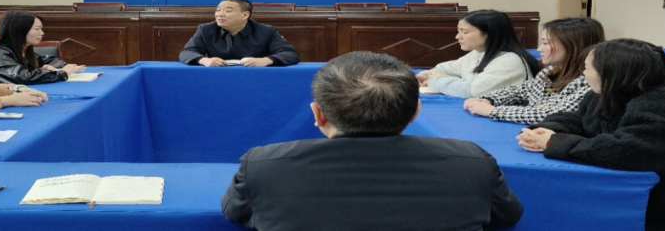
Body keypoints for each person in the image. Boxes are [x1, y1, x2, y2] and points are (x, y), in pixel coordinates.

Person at [221, 51, 523, 231]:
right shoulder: (471, 162)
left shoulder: (264, 165)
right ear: (415, 112)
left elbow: (237, 213)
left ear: (318, 114)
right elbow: (505, 217)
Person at [517, 39, 665, 231]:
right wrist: (550, 129)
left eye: (587, 68)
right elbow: (581, 119)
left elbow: (627, 149)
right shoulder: (611, 91)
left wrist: (555, 143)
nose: (583, 73)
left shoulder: (662, 103)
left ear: (611, 72)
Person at [463, 17, 604, 123]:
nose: (539, 49)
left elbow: (552, 114)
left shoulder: (589, 82)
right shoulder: (550, 72)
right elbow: (521, 91)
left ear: (572, 46)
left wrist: (494, 111)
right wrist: (489, 99)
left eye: (546, 43)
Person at [416, 10, 538, 97]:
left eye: (465, 32)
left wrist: (435, 79)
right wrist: (425, 76)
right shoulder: (477, 53)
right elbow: (442, 69)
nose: (458, 36)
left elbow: (473, 91)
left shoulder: (509, 61)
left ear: (489, 34)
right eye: (458, 31)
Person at [179, 0, 299, 67]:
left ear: (245, 15)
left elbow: (290, 54)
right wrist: (205, 60)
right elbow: (187, 52)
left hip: (255, 78)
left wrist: (266, 60)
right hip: (217, 78)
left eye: (227, 11)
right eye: (218, 10)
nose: (219, 14)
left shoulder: (266, 31)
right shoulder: (206, 30)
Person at [0, 11, 85, 84]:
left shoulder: (23, 49)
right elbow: (22, 77)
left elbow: (46, 60)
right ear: (19, 31)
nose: (42, 33)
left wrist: (58, 66)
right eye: (37, 29)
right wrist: (62, 73)